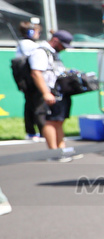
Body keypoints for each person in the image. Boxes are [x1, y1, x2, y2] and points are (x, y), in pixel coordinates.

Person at [28, 29, 75, 160]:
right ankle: (53, 152)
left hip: (58, 92)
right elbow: (36, 73)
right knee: (49, 121)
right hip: (47, 92)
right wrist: (46, 93)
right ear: (55, 41)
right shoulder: (40, 52)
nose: (64, 49)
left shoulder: (54, 53)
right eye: (63, 45)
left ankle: (62, 150)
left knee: (58, 121)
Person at [15, 19, 44, 140]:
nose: (38, 34)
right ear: (30, 32)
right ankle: (42, 130)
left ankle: (31, 131)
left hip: (25, 79)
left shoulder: (23, 44)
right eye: (36, 31)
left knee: (30, 104)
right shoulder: (29, 45)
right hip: (31, 79)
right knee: (38, 105)